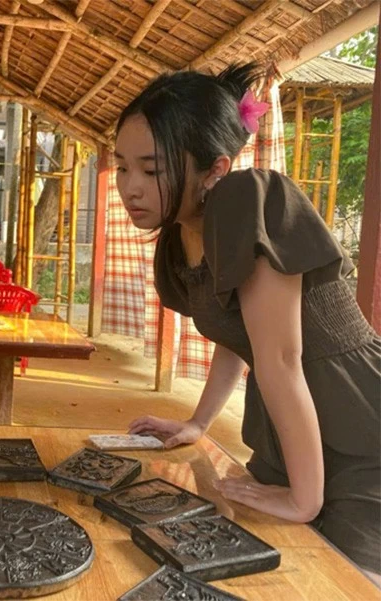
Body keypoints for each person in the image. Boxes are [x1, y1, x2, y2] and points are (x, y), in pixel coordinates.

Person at [115, 62, 380, 577]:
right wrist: (197, 422)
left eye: (152, 169)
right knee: (264, 567)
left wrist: (304, 500)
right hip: (293, 436)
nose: (131, 187)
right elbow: (236, 336)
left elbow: (280, 357)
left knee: (344, 582)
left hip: (362, 429)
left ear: (215, 168)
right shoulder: (179, 236)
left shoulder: (247, 199)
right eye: (122, 166)